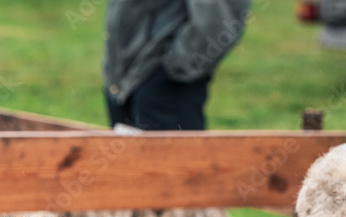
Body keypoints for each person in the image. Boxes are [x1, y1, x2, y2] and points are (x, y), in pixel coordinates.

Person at [104, 0, 251, 131]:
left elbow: (219, 17)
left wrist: (175, 69)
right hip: (123, 86)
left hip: (168, 84)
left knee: (176, 154)